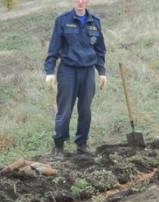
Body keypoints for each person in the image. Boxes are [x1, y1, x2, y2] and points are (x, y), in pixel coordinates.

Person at [44, 0, 107, 157]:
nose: (80, 2)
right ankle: (59, 146)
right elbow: (54, 47)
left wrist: (101, 71)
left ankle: (82, 144)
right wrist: (49, 71)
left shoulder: (95, 22)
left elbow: (100, 49)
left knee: (85, 110)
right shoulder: (63, 20)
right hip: (68, 71)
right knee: (65, 110)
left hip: (88, 72)